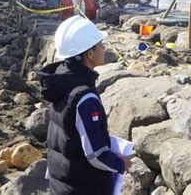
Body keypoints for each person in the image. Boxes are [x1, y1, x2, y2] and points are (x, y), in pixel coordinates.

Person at [38, 15, 132, 194]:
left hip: (63, 184)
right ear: (89, 53)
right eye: (101, 44)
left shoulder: (61, 81)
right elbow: (95, 154)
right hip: (81, 187)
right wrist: (121, 163)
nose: (104, 48)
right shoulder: (85, 97)